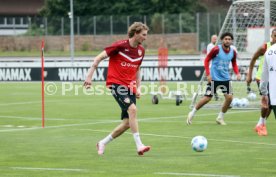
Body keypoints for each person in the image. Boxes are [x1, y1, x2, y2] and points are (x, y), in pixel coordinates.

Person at [83, 22, 151, 156]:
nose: (145, 37)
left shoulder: (141, 51)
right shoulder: (119, 46)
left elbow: (138, 69)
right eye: (143, 35)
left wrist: (138, 88)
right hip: (116, 84)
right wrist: (89, 77)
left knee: (127, 123)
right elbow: (98, 58)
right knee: (133, 109)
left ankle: (102, 142)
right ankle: (139, 145)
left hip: (130, 86)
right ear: (136, 33)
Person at [187, 32, 241, 125]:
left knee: (229, 98)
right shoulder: (216, 49)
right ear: (222, 40)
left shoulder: (233, 52)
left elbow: (234, 63)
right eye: (226, 39)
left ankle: (220, 117)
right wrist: (208, 74)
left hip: (225, 79)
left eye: (229, 39)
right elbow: (207, 60)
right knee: (207, 98)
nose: (227, 41)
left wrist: (237, 73)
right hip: (214, 78)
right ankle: (192, 113)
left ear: (231, 41)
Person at [246, 29, 276, 136]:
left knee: (271, 104)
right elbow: (253, 58)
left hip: (273, 79)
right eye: (275, 36)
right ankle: (261, 125)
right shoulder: (265, 47)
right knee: (268, 102)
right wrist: (249, 74)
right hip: (262, 78)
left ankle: (260, 124)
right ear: (272, 36)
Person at [260, 43, 276, 120]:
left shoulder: (269, 51)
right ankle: (261, 122)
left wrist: (264, 92)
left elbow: (264, 74)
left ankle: (261, 123)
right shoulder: (267, 49)